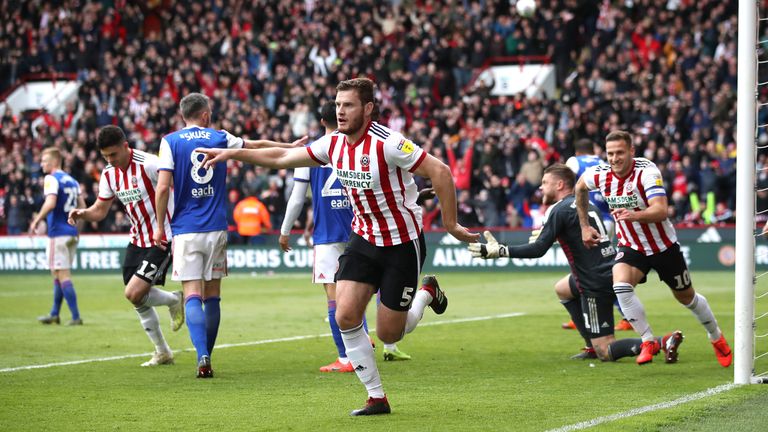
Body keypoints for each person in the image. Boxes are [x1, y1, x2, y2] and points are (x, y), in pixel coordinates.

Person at [196, 77, 478, 415]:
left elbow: (441, 172)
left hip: (402, 242)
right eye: (338, 104)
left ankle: (427, 292)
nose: (340, 111)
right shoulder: (333, 145)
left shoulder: (389, 143)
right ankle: (377, 397)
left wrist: (450, 225)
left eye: (348, 105)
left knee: (391, 333)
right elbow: (283, 157)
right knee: (345, 315)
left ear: (368, 108)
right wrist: (234, 154)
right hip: (363, 239)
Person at [153, 92, 306, 378]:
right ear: (205, 115)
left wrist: (160, 225)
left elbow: (162, 188)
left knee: (191, 294)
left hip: (186, 229)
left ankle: (202, 356)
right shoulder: (219, 137)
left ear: (182, 115)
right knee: (212, 296)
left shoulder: (169, 141)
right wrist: (288, 145)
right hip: (217, 228)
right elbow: (257, 147)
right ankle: (207, 355)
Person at [468, 164, 684, 364]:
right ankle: (590, 343)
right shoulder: (585, 204)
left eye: (545, 183)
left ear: (560, 185)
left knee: (605, 351)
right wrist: (548, 234)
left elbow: (538, 250)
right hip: (612, 267)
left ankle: (659, 341)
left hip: (594, 281)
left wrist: (501, 251)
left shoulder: (558, 210)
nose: (541, 188)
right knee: (562, 289)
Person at [575, 130, 732, 367]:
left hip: (663, 247)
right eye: (610, 154)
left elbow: (661, 210)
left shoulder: (647, 172)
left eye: (619, 152)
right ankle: (648, 340)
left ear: (631, 151)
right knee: (620, 284)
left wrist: (633, 215)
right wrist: (584, 226)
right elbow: (579, 188)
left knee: (687, 298)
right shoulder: (600, 174)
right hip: (631, 246)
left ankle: (716, 337)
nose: (614, 158)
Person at [279, 102, 410, 373]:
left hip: (328, 234)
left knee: (335, 298)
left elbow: (297, 197)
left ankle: (346, 357)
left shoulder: (313, 152)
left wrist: (285, 230)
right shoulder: (359, 146)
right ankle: (383, 344)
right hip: (360, 228)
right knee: (366, 289)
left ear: (320, 121)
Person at [67, 125, 184, 367]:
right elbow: (100, 210)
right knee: (136, 298)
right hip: (136, 239)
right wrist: (83, 213)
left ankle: (174, 301)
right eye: (105, 156)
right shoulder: (109, 174)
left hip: (162, 237)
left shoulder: (150, 163)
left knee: (133, 292)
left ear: (125, 146)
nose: (110, 160)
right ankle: (163, 351)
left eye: (114, 154)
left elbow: (176, 187)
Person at [564, 138, 632, 332]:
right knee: (594, 267)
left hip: (588, 219)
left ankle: (625, 314)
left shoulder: (574, 162)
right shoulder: (603, 163)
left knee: (592, 269)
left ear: (577, 152)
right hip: (608, 219)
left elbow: (569, 185)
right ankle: (583, 313)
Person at [31, 147, 85, 326]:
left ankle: (76, 317)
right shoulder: (72, 181)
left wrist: (37, 219)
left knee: (63, 275)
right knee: (57, 273)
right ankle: (54, 313)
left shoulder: (51, 179)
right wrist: (78, 230)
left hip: (58, 233)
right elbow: (82, 206)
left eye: (44, 161)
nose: (41, 164)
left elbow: (51, 202)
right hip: (71, 233)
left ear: (54, 162)